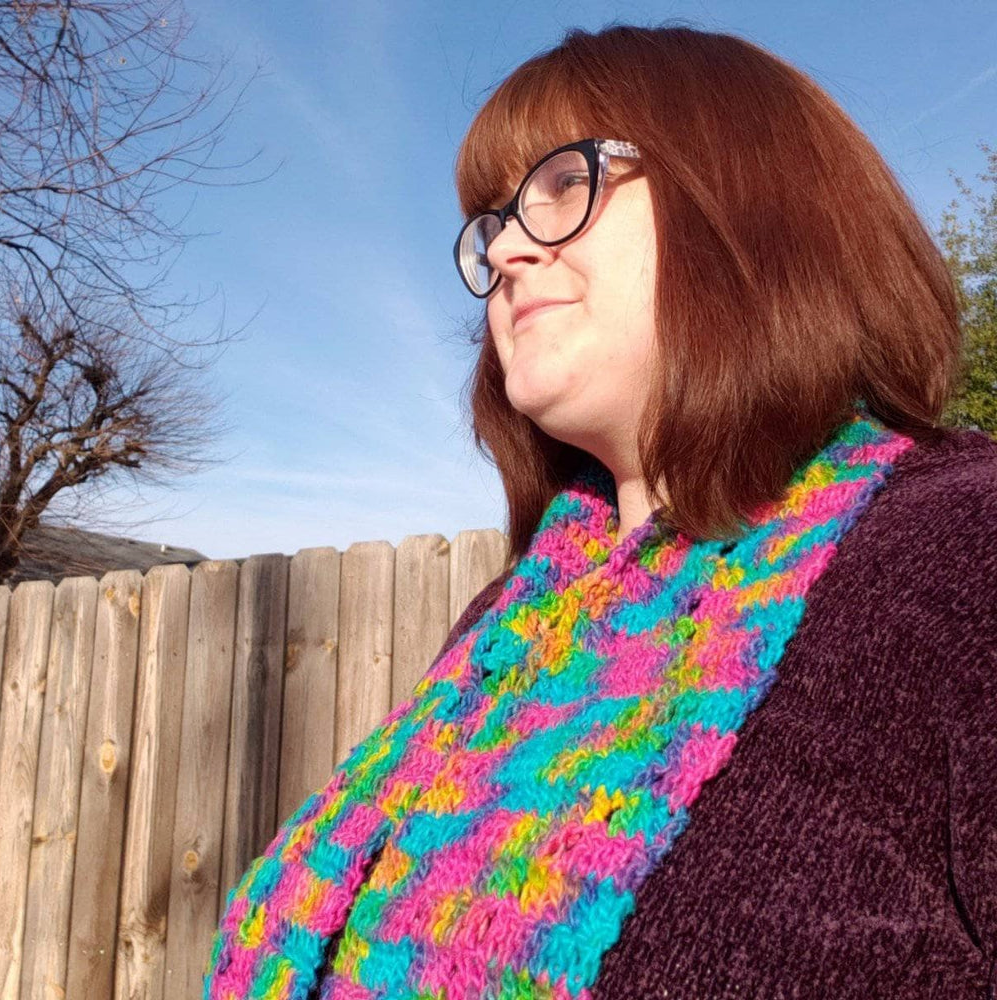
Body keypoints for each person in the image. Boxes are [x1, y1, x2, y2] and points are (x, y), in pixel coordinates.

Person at [203, 23, 996, 1000]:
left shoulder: (962, 551)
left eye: (564, 187)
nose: (506, 254)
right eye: (491, 225)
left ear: (749, 196)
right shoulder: (509, 627)